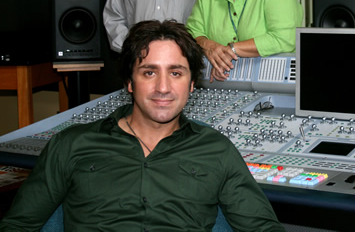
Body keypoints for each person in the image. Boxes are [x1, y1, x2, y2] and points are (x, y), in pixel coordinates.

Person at [0, 20, 284, 231]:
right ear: (129, 82)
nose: (163, 87)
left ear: (192, 84)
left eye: (176, 72)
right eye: (149, 72)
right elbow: (18, 226)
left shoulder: (216, 150)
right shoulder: (71, 145)